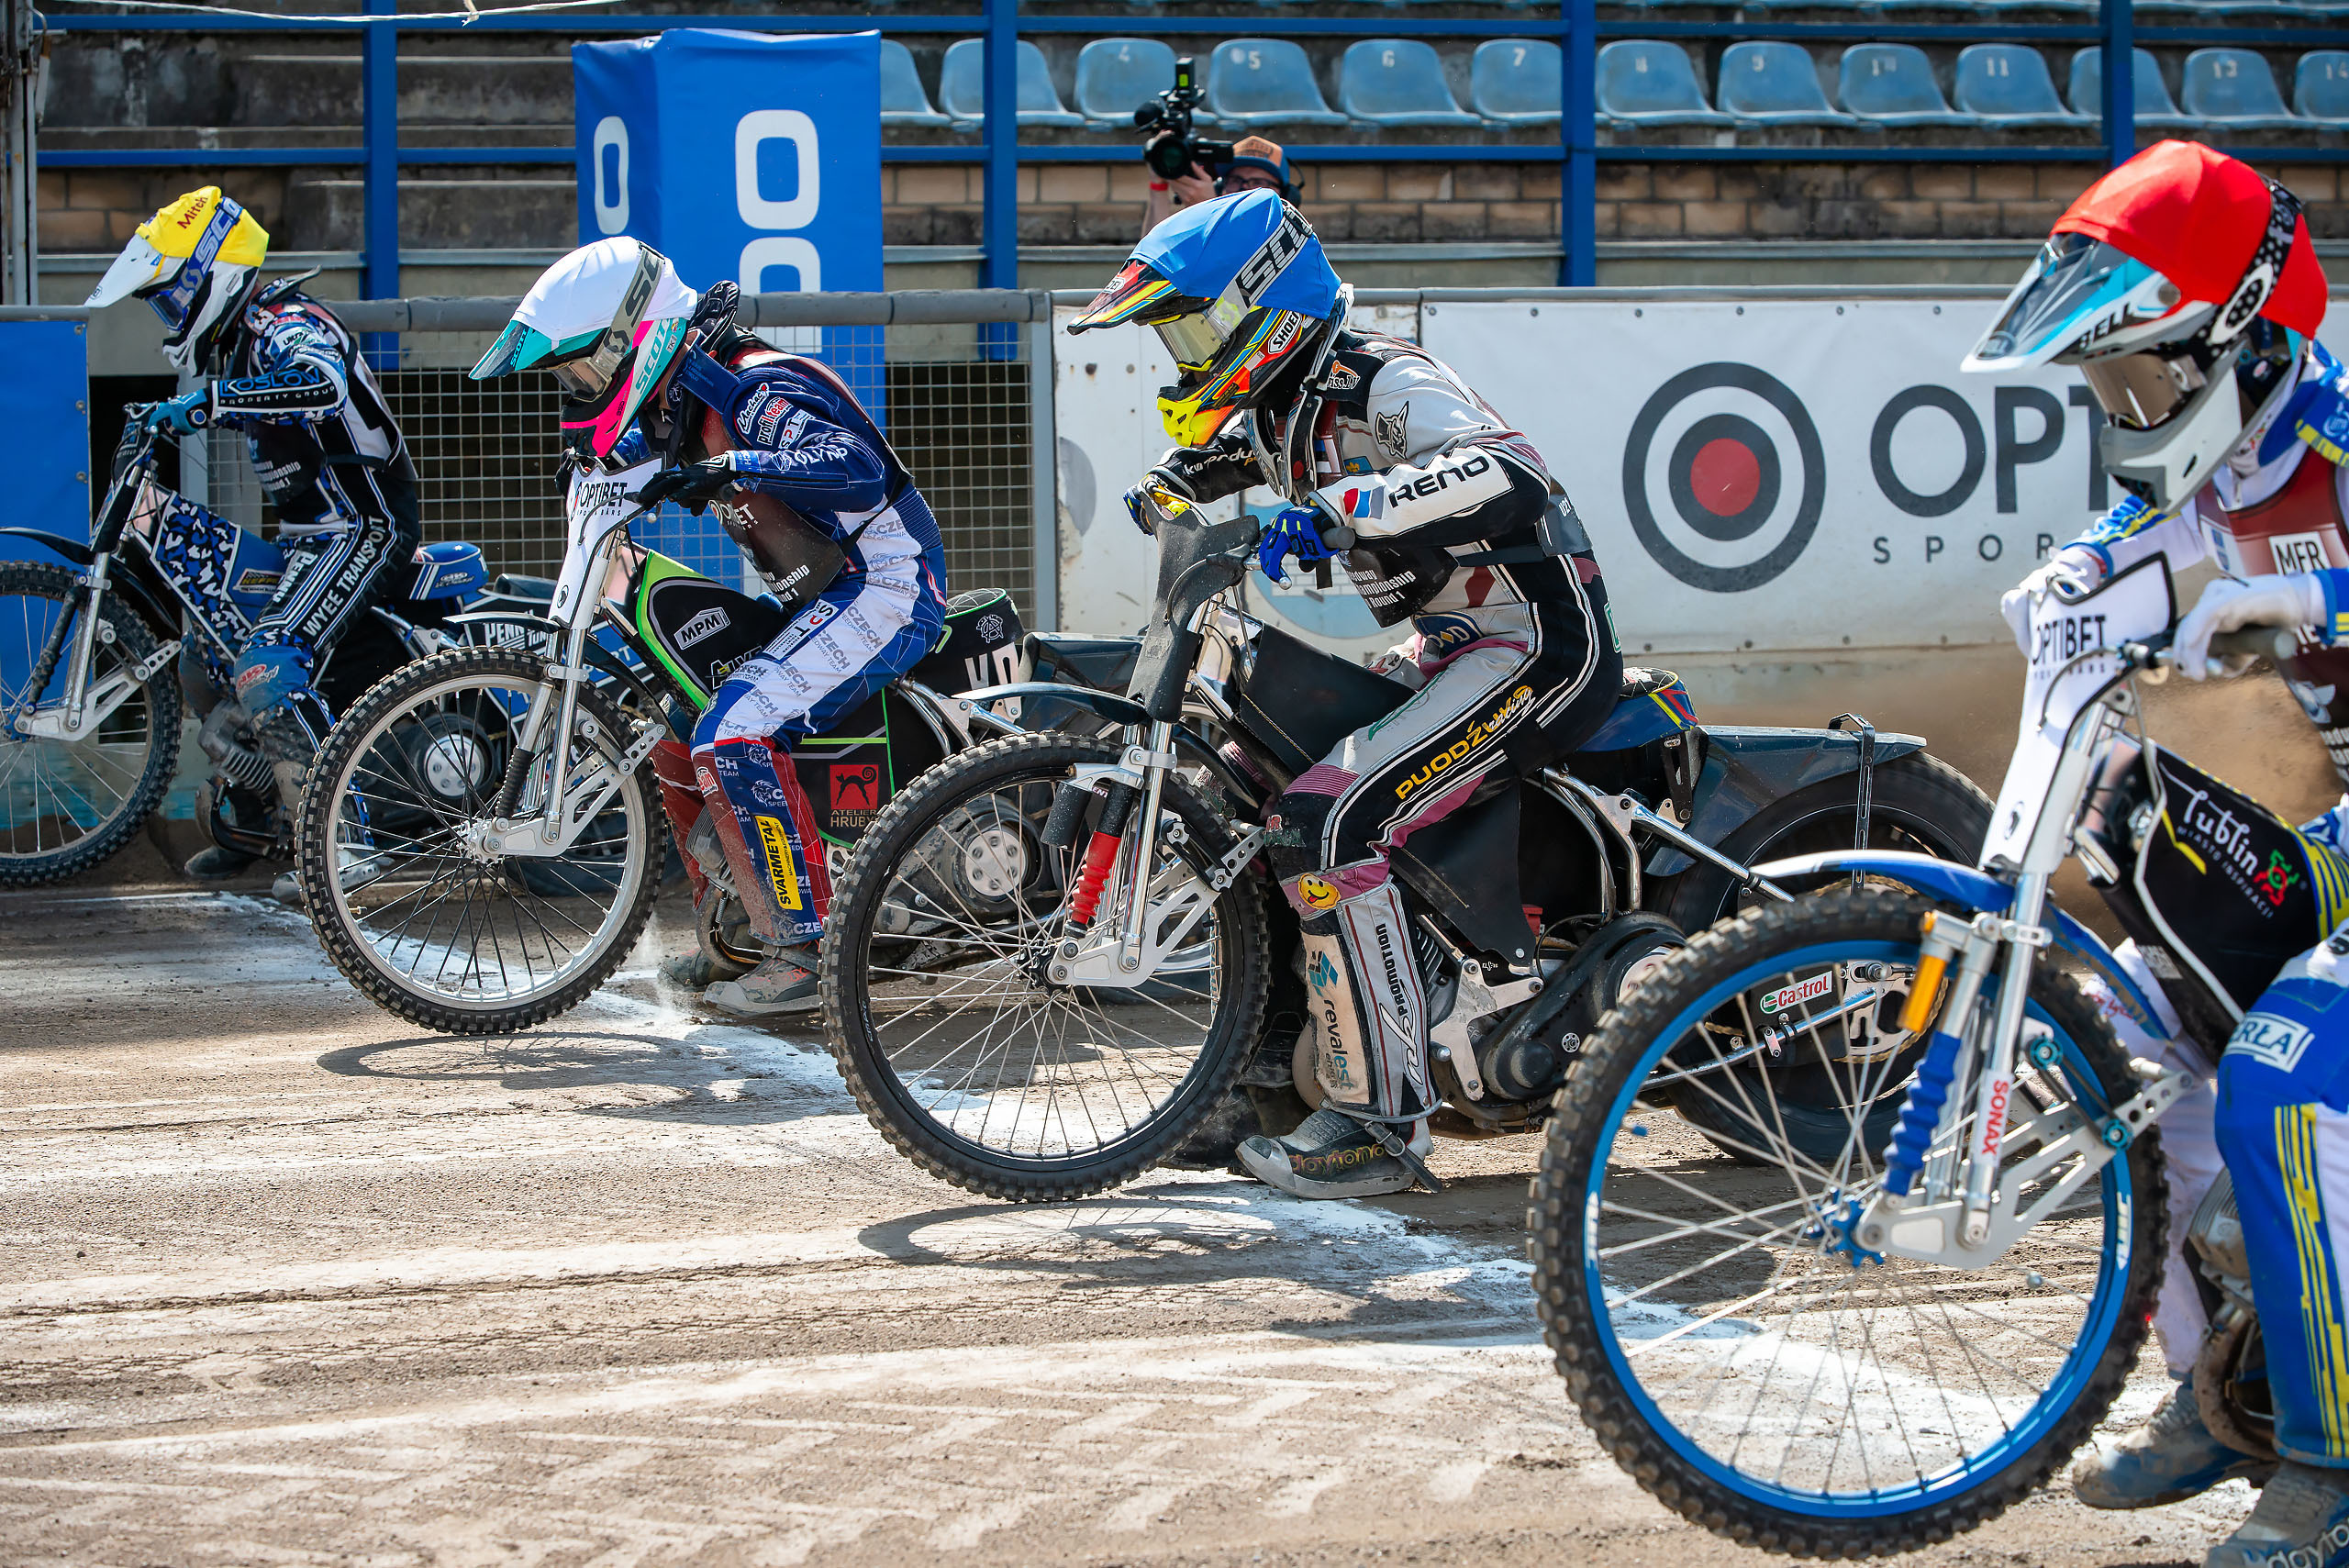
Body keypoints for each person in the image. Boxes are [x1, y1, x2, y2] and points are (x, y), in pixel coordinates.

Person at [1071, 190, 1620, 1198]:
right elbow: (1244, 456)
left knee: (1329, 819)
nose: (1186, 352)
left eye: (1196, 326)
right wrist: (1179, 479)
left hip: (1535, 643)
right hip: (1452, 644)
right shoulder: (1288, 406)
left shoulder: (1381, 375)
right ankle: (1265, 1075)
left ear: (1265, 303)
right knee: (1253, 780)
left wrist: (1338, 512)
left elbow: (1502, 468)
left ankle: (1381, 1117)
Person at [1975, 140, 2349, 1568]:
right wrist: (2079, 582)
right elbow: (2126, 557)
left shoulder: (2337, 440)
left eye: (2150, 377)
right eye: (2112, 382)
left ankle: (2329, 1465)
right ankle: (2231, 1389)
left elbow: (2275, 586)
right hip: (2323, 835)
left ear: (2243, 341)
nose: (2128, 411)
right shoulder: (2201, 476)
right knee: (2121, 1046)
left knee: (2284, 1080)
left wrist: (2294, 598)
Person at [471, 238, 948, 1017]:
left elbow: (855, 465)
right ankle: (738, 934)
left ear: (637, 337)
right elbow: (619, 460)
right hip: (827, 597)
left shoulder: (751, 387)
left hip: (888, 585)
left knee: (732, 732)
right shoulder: (679, 399)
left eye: (586, 370)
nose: (582, 389)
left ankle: (808, 949)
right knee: (675, 728)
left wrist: (735, 467)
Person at [83, 186, 420, 881]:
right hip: (310, 537)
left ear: (218, 274)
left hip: (363, 528)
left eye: (174, 297)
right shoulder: (237, 343)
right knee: (203, 655)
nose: (170, 315)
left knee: (268, 659)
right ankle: (257, 826)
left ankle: (342, 840)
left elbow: (320, 381)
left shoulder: (285, 321)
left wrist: (209, 403)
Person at [1141, 135, 1299, 236]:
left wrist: (1210, 213)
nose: (1244, 190)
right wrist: (1159, 186)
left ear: (1286, 197)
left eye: (1258, 183)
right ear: (1220, 188)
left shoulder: (1295, 251)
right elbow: (1150, 263)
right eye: (1235, 180)